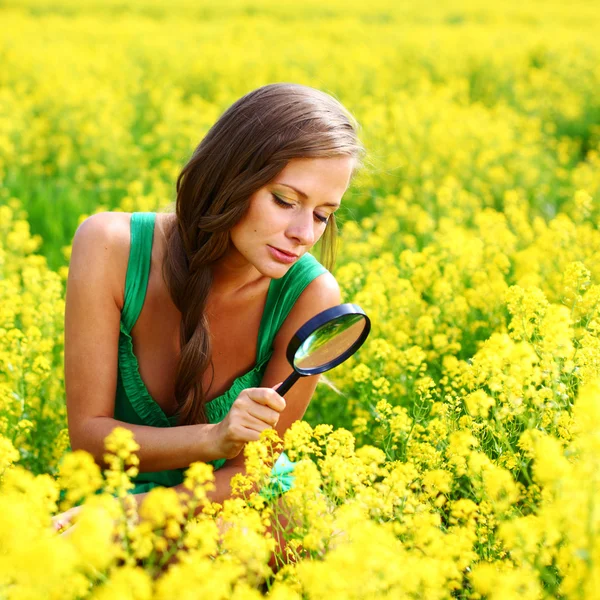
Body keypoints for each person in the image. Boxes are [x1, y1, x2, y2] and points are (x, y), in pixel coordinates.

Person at [57, 82, 364, 560]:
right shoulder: (109, 247)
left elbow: (253, 470)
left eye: (323, 215)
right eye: (285, 200)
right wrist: (213, 438)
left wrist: (144, 511)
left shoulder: (313, 296)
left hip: (232, 503)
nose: (304, 233)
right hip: (113, 494)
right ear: (229, 178)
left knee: (219, 554)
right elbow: (91, 438)